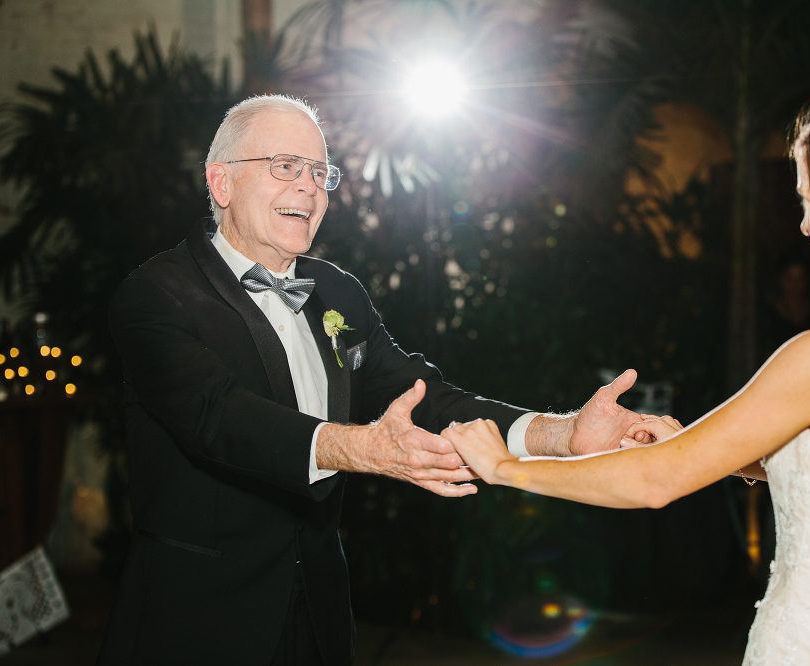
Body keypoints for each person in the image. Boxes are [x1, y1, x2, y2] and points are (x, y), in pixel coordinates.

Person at [443, 63, 810, 664]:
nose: (804, 226)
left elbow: (653, 483)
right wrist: (706, 449)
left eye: (807, 200)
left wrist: (505, 467)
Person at [99, 95, 646, 665]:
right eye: (285, 166)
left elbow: (424, 398)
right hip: (194, 622)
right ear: (222, 183)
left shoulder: (338, 294)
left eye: (319, 173)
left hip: (318, 615)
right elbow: (216, 415)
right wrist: (361, 447)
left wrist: (563, 436)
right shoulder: (157, 295)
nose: (309, 188)